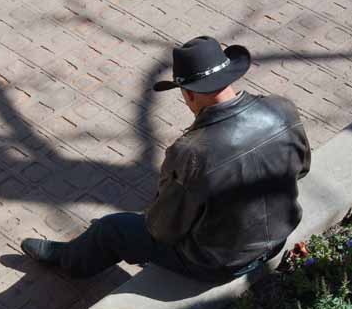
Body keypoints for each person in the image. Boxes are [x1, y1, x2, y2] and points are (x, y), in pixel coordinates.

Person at [21, 36, 311, 282]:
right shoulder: (282, 109)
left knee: (112, 229)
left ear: (189, 95)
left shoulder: (191, 152)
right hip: (277, 238)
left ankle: (69, 261)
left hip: (220, 262)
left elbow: (162, 229)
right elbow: (302, 168)